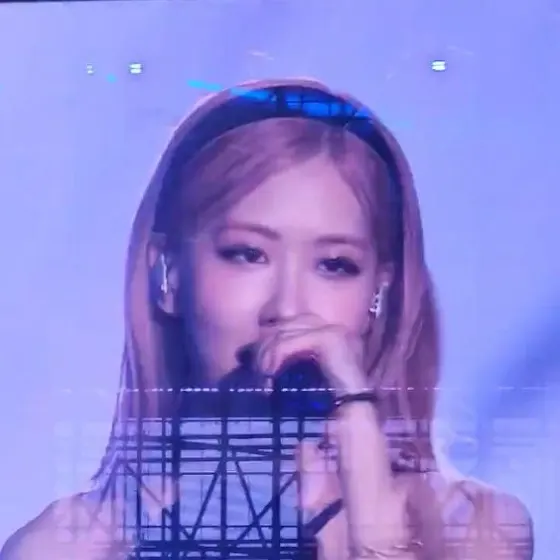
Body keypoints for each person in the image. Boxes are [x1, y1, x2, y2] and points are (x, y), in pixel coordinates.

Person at [0, 78, 534, 560]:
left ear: (379, 293)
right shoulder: (69, 547)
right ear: (169, 276)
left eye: (335, 264)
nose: (287, 307)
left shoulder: (473, 531)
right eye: (247, 254)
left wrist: (364, 472)